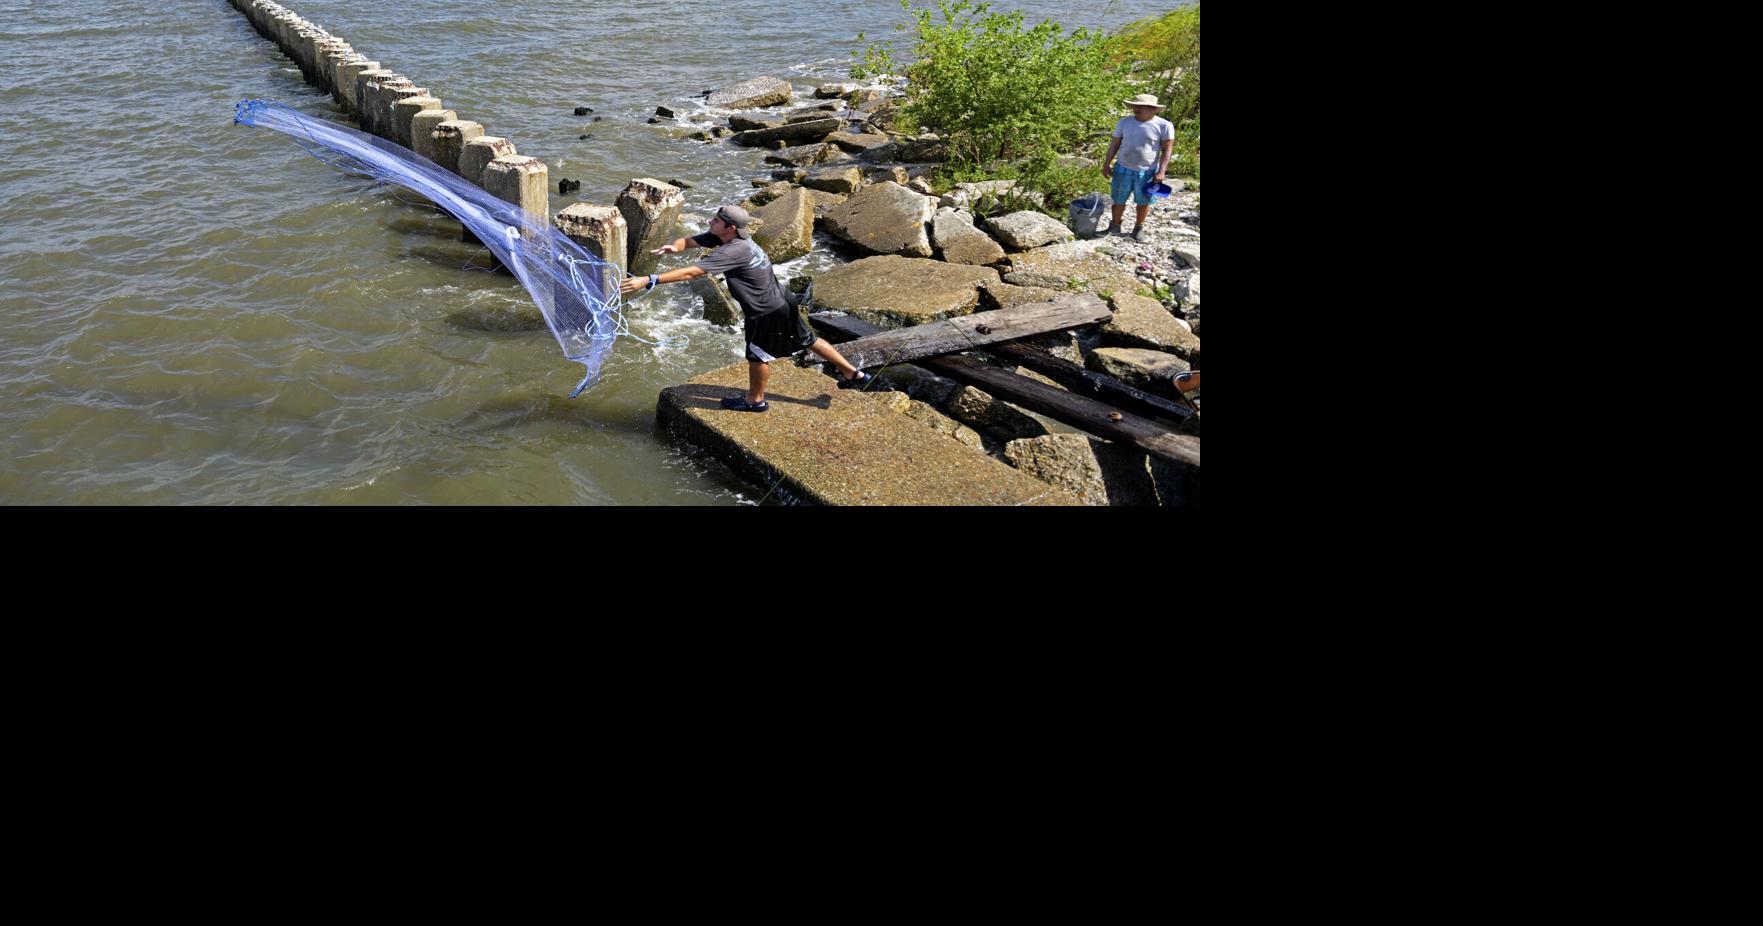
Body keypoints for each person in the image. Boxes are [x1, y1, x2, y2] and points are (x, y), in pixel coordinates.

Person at [619, 205, 874, 412]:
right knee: (808, 339)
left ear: (729, 227)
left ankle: (755, 401)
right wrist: (675, 246)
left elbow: (692, 273)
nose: (710, 222)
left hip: (766, 310)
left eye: (716, 221)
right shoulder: (732, 237)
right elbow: (689, 241)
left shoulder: (734, 250)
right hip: (783, 299)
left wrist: (649, 280)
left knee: (757, 356)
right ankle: (853, 374)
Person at [1100, 94, 1176, 242]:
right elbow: (1114, 145)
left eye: (1141, 106)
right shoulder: (1124, 123)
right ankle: (1114, 226)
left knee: (1143, 201)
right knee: (1118, 199)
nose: (1136, 108)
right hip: (1123, 168)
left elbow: (1167, 150)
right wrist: (1106, 164)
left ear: (1152, 109)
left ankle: (1138, 228)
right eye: (1135, 106)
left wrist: (1161, 171)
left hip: (1148, 171)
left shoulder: (1164, 125)